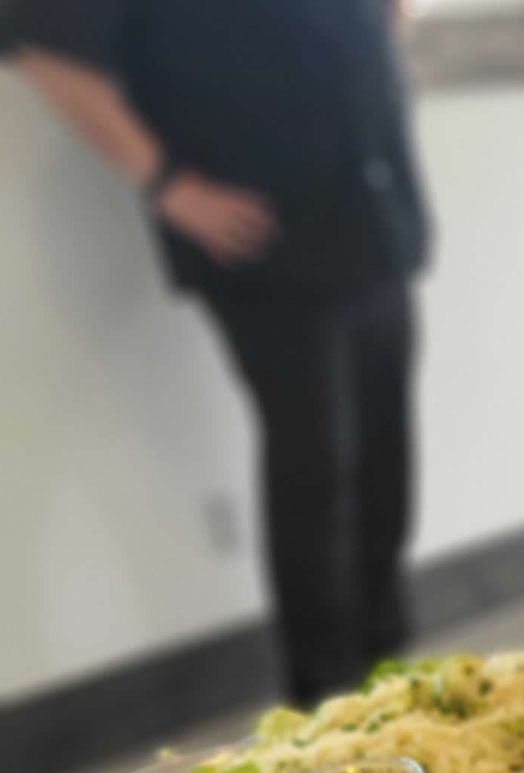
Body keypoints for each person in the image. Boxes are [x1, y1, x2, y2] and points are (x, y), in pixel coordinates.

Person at [3, 0, 430, 708]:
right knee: (315, 469)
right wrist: (167, 183)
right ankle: (325, 700)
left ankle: (390, 670)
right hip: (271, 251)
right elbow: (42, 46)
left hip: (373, 225)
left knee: (386, 460)